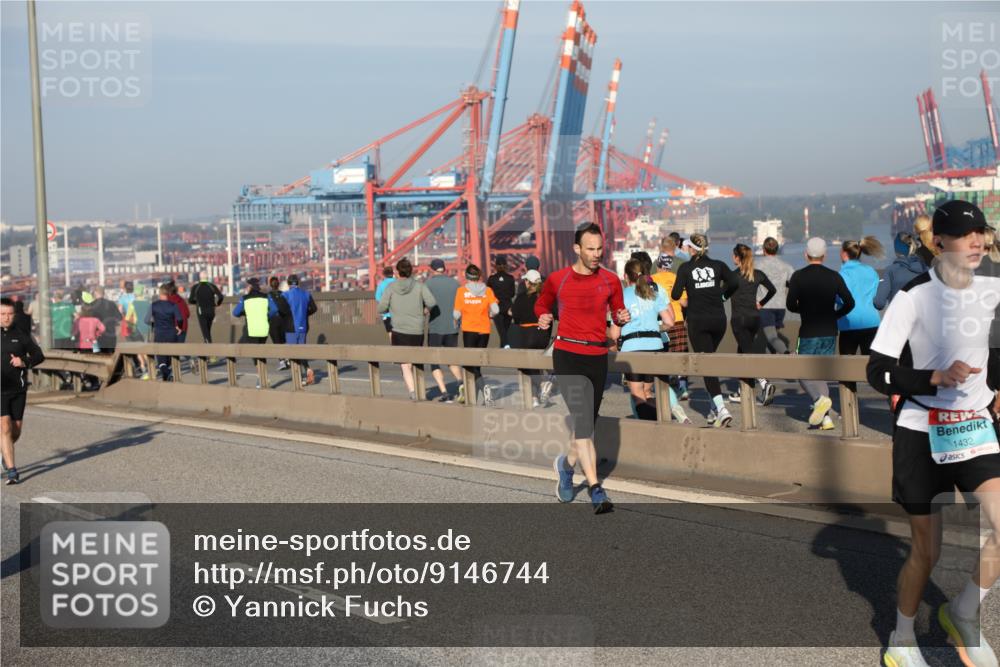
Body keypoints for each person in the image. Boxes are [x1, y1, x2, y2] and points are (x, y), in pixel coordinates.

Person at [867, 200, 1000, 667]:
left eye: (980, 233)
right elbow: (878, 371)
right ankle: (902, 640)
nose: (977, 241)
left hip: (975, 426)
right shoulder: (913, 296)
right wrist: (932, 379)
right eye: (966, 235)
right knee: (928, 550)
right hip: (922, 431)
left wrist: (996, 388)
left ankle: (962, 612)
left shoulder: (992, 286)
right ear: (939, 242)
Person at [536, 222, 630, 514]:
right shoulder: (558, 279)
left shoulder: (611, 281)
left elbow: (617, 317)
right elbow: (542, 305)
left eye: (600, 248)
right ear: (577, 249)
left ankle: (566, 466)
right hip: (567, 354)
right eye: (590, 249)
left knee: (585, 424)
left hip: (597, 356)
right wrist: (543, 318)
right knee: (584, 423)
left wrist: (621, 319)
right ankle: (596, 489)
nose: (596, 254)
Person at [786, 237, 855, 430]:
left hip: (808, 331)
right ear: (824, 256)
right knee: (821, 374)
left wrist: (804, 310)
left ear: (806, 254)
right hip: (829, 331)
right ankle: (826, 419)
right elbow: (850, 302)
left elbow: (790, 305)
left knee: (800, 369)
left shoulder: (798, 277)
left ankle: (818, 400)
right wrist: (835, 315)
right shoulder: (834, 276)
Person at [612, 259, 690, 424]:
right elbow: (669, 321)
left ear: (626, 276)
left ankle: (655, 429)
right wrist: (655, 328)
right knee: (648, 392)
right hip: (655, 346)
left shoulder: (622, 295)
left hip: (632, 348)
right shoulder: (654, 292)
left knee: (638, 395)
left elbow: (614, 333)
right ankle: (663, 419)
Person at [670, 233, 736, 428]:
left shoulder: (685, 268)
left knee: (706, 365)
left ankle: (721, 408)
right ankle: (713, 410)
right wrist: (722, 296)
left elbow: (675, 294)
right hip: (719, 321)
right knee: (710, 361)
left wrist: (690, 291)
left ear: (691, 249)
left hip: (698, 321)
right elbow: (734, 282)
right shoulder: (718, 265)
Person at [377, 258, 436, 401]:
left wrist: (392, 307)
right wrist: (424, 311)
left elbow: (381, 308)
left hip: (398, 330)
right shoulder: (420, 286)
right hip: (417, 330)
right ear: (411, 272)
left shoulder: (390, 288)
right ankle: (420, 388)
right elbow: (432, 302)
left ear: (397, 272)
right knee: (417, 361)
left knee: (405, 364)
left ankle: (413, 392)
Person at [725, 243, 777, 404]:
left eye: (733, 255)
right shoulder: (757, 274)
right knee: (742, 352)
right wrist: (761, 303)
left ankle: (764, 383)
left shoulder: (733, 276)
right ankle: (743, 391)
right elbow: (773, 290)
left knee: (747, 353)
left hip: (739, 320)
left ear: (737, 258)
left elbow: (723, 296)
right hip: (754, 319)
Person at [1, 297, 44, 485]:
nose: (6, 317)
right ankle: (12, 470)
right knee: (5, 427)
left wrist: (23, 362)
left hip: (18, 389)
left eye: (9, 314)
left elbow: (39, 355)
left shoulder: (21, 334)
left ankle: (5, 451)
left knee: (16, 430)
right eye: (2, 314)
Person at [755, 237, 794, 405]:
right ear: (777, 250)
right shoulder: (786, 266)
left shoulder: (758, 264)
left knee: (770, 337)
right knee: (772, 339)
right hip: (781, 307)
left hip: (764, 305)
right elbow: (792, 284)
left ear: (764, 250)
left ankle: (789, 356)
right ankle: (767, 385)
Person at [453, 264, 498, 406]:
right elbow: (496, 310)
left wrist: (459, 317)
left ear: (466, 277)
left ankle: (479, 390)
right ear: (479, 276)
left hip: (469, 330)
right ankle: (477, 392)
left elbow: (456, 313)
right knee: (477, 364)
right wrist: (488, 314)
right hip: (484, 330)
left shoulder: (461, 291)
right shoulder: (488, 290)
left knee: (469, 364)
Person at [510, 269, 554, 408]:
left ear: (528, 282)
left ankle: (537, 391)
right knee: (537, 365)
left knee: (527, 366)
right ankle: (538, 393)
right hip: (543, 335)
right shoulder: (545, 297)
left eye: (526, 280)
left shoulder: (522, 297)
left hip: (527, 334)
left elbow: (516, 317)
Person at [652, 242, 690, 401]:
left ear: (659, 264)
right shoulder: (676, 278)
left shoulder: (651, 279)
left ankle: (665, 390)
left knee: (663, 356)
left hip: (661, 323)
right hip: (679, 320)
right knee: (680, 355)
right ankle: (683, 387)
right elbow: (684, 303)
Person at [837, 236, 884, 355]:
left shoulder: (842, 274)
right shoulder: (871, 271)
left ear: (844, 254)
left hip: (849, 323)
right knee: (870, 364)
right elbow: (875, 295)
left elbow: (841, 299)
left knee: (846, 367)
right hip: (871, 322)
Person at [425, 258, 463, 402]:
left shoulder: (428, 284)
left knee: (435, 362)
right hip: (452, 327)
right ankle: (460, 382)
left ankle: (445, 392)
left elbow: (425, 305)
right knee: (451, 359)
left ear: (432, 269)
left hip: (435, 327)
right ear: (444, 269)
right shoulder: (455, 284)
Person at [233, 278, 277, 388]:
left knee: (256, 356)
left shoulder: (245, 298)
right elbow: (274, 309)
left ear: (250, 287)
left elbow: (235, 312)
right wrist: (267, 316)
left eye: (247, 286)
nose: (246, 288)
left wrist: (245, 312)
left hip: (252, 330)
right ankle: (263, 377)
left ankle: (261, 379)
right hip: (264, 329)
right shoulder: (266, 297)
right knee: (261, 353)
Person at [875, 232, 928, 310]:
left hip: (899, 319)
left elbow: (879, 303)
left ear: (896, 250)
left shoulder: (891, 271)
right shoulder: (925, 269)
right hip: (922, 319)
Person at [282, 274, 318, 385]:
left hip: (291, 327)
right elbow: (314, 308)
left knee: (292, 353)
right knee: (301, 351)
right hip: (303, 326)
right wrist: (305, 313)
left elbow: (282, 310)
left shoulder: (286, 295)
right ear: (298, 283)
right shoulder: (306, 294)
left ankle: (297, 379)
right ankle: (307, 370)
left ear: (288, 284)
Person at [146, 285, 184, 382]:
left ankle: (166, 372)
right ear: (168, 294)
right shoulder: (173, 305)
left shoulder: (153, 305)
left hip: (159, 334)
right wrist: (178, 327)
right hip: (171, 334)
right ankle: (166, 376)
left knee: (161, 360)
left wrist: (154, 323)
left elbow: (146, 320)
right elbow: (180, 319)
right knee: (169, 358)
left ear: (159, 293)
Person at [486, 256, 516, 349]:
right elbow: (512, 294)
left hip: (496, 307)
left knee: (501, 330)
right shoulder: (510, 278)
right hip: (508, 307)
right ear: (506, 266)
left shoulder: (491, 279)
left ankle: (504, 347)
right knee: (505, 331)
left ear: (496, 266)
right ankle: (503, 348)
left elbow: (488, 293)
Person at [124, 283, 151, 379]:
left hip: (137, 329)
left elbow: (127, 318)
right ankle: (152, 368)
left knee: (139, 351)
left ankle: (144, 369)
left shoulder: (132, 304)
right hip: (147, 328)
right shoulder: (148, 302)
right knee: (146, 349)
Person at [188, 274, 225, 344]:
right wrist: (217, 304)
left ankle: (211, 352)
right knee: (207, 332)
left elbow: (190, 300)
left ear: (200, 277)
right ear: (207, 277)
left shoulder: (196, 287)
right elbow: (221, 297)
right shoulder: (212, 286)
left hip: (201, 311)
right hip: (211, 311)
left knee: (205, 334)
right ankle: (205, 353)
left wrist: (197, 302)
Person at [267, 276, 292, 370]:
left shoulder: (268, 296)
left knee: (276, 341)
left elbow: (271, 309)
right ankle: (288, 358)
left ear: (270, 285)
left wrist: (268, 316)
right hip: (284, 319)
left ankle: (282, 361)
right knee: (284, 340)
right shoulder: (283, 294)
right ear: (278, 284)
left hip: (273, 321)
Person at [90, 286, 122, 351]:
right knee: (111, 354)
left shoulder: (92, 305)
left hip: (99, 335)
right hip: (111, 334)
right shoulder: (111, 303)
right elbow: (119, 317)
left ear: (95, 293)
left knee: (101, 355)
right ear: (103, 293)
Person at [374, 266, 396, 340]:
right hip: (399, 313)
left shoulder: (381, 284)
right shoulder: (398, 282)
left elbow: (378, 298)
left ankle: (393, 348)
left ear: (384, 274)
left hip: (387, 314)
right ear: (393, 273)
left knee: (390, 332)